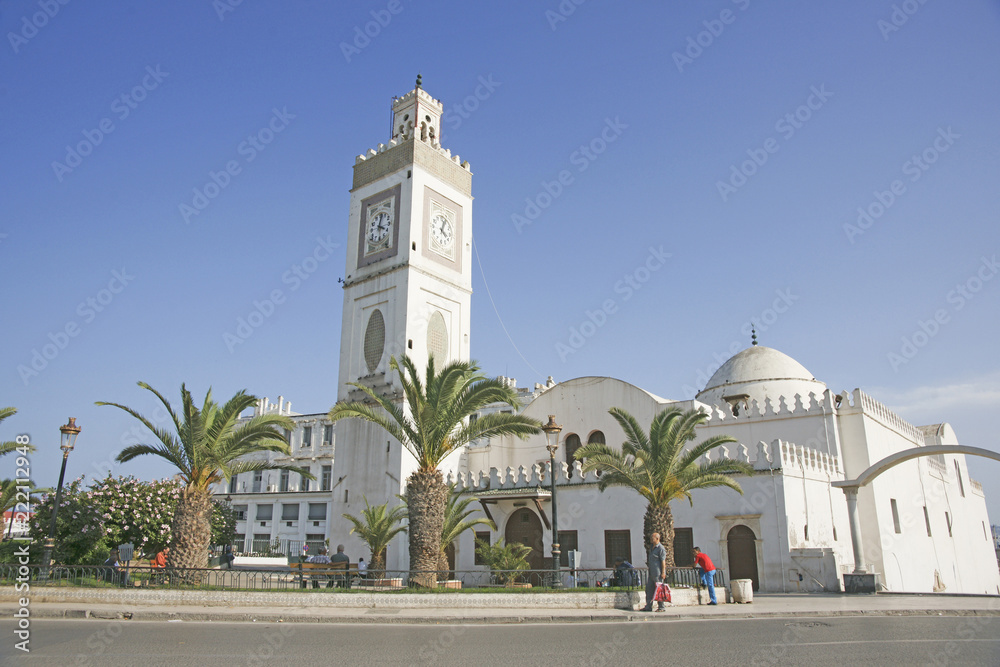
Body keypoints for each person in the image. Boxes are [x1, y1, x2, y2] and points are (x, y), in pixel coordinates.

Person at [642, 532, 667, 612]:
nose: (651, 540)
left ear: (657, 538)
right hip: (651, 573)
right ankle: (648, 606)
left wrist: (663, 572)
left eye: (652, 538)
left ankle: (661, 607)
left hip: (658, 573)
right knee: (649, 589)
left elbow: (663, 561)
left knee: (659, 590)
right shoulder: (652, 548)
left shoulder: (661, 548)